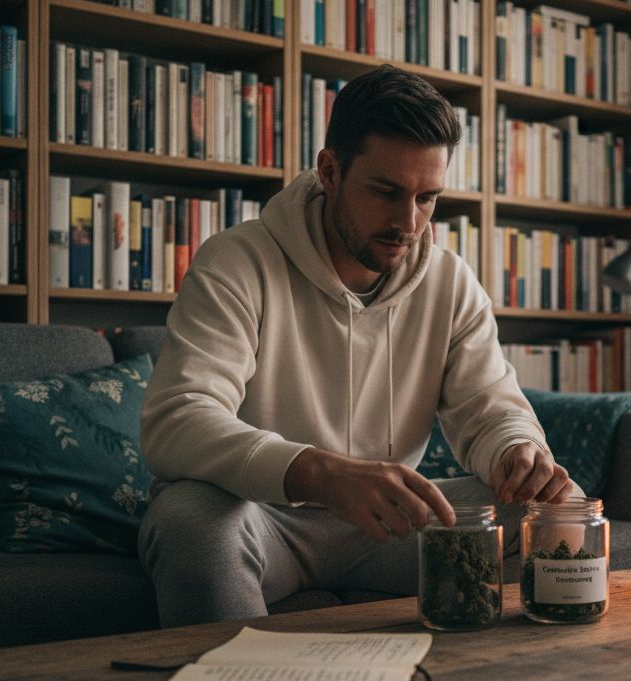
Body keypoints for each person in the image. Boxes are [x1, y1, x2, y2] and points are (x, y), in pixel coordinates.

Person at [138, 65, 575, 627]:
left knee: (557, 516)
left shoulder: (451, 283)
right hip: (257, 517)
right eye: (386, 192)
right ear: (330, 171)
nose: (408, 222)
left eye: (427, 198)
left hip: (389, 528)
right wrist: (320, 474)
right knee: (189, 525)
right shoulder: (236, 262)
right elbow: (178, 420)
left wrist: (518, 452)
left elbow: (490, 411)